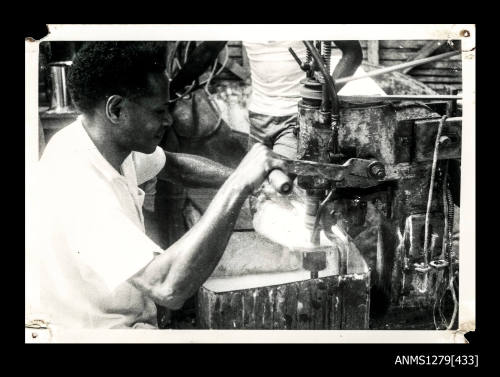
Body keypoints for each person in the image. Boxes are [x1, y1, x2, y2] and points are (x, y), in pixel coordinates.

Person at [28, 42, 287, 329]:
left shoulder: (99, 141)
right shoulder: (76, 182)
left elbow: (175, 167)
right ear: (116, 109)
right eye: (158, 111)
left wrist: (256, 179)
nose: (168, 119)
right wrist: (238, 185)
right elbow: (167, 287)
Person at [242, 40, 385, 159]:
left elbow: (353, 53)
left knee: (281, 182)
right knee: (255, 186)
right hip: (257, 118)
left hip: (296, 118)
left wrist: (325, 96)